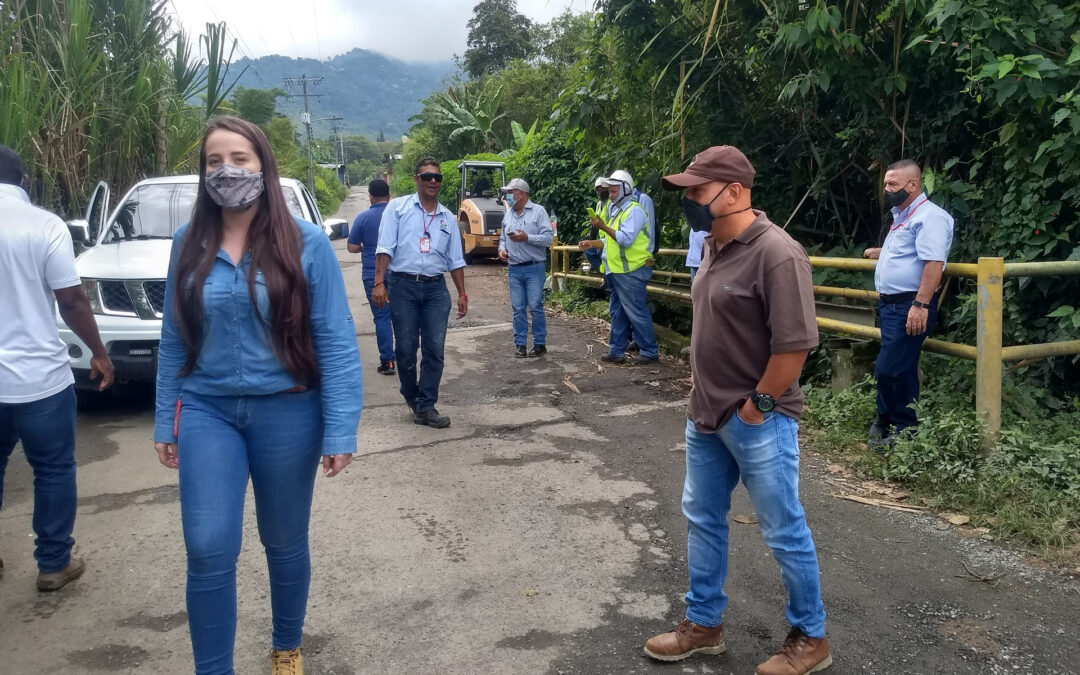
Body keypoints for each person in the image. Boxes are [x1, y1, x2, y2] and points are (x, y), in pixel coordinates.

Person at [153, 116, 363, 675]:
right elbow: (175, 338)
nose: (226, 170)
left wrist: (341, 428)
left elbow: (337, 343)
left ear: (263, 166)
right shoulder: (186, 244)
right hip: (207, 410)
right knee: (208, 548)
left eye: (239, 159)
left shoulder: (307, 244)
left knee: (284, 538)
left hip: (290, 411)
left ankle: (286, 646)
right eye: (213, 161)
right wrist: (162, 420)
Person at [646, 146, 831, 675]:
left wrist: (757, 408)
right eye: (687, 194)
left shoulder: (777, 253)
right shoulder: (710, 245)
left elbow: (794, 346)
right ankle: (703, 624)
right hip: (704, 416)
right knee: (703, 520)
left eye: (698, 193)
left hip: (757, 421)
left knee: (782, 528)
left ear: (734, 191)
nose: (690, 203)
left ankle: (811, 637)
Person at [0, 145, 114, 591]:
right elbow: (71, 299)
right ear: (24, 182)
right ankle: (53, 563)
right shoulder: (43, 224)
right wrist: (99, 354)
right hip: (38, 381)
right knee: (52, 469)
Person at [862, 159, 954, 446]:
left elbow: (933, 263)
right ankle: (896, 425)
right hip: (891, 306)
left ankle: (894, 423)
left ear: (913, 185)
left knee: (889, 368)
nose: (887, 190)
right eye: (886, 184)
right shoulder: (903, 214)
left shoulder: (929, 217)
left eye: (893, 184)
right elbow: (910, 252)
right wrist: (884, 252)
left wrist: (921, 305)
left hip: (909, 305)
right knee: (902, 366)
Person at [372, 157, 468, 429]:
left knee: (434, 349)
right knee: (404, 349)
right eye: (427, 177)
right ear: (417, 179)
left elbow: (455, 260)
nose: (433, 182)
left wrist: (462, 293)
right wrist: (379, 283)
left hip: (436, 289)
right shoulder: (398, 208)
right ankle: (410, 392)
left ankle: (426, 405)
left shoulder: (448, 218)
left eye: (437, 178)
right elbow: (384, 247)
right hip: (403, 287)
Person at [578, 170, 659, 365]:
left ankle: (649, 351)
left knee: (636, 312)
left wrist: (602, 226)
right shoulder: (619, 212)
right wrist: (592, 243)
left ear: (625, 190)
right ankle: (616, 350)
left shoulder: (635, 210)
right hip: (617, 271)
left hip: (631, 271)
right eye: (610, 192)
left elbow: (625, 238)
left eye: (614, 192)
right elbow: (609, 240)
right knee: (617, 312)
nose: (611, 195)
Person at [497, 178, 553, 357]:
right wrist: (502, 250)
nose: (509, 196)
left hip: (534, 267)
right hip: (514, 268)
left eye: (511, 192)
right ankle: (520, 344)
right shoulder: (508, 214)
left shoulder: (538, 212)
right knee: (518, 307)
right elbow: (503, 239)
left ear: (521, 193)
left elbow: (548, 239)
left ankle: (539, 343)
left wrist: (527, 237)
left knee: (536, 306)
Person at [348, 179, 396, 375]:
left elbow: (351, 247)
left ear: (370, 195)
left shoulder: (363, 218)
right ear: (389, 195)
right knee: (402, 317)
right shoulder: (397, 215)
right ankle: (406, 357)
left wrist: (365, 247)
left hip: (371, 275)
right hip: (398, 273)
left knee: (382, 317)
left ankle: (388, 361)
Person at [581, 177, 608, 273]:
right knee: (589, 251)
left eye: (602, 189)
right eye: (598, 190)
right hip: (601, 238)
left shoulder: (611, 204)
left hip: (609, 238)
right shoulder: (599, 204)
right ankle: (603, 273)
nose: (600, 192)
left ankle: (606, 276)